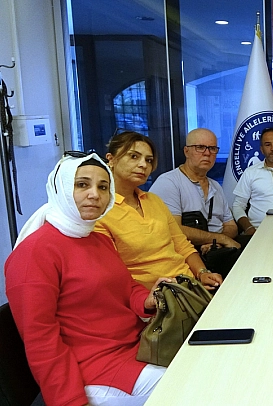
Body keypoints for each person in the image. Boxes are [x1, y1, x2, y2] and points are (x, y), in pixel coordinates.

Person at [5, 153, 170, 406]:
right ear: (61, 189)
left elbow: (125, 287)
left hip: (137, 348)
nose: (94, 194)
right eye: (82, 184)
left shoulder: (97, 239)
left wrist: (146, 300)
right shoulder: (35, 253)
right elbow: (41, 341)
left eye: (103, 187)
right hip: (94, 371)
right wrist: (71, 401)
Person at [95, 131, 223, 290]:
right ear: (111, 159)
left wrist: (202, 273)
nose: (143, 165)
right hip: (153, 294)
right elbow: (115, 274)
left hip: (189, 285)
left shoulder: (153, 200)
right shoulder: (100, 211)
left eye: (148, 160)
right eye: (134, 156)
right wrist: (160, 293)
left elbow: (182, 245)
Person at [150, 128, 241, 251]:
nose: (207, 153)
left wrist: (218, 243)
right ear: (186, 151)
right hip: (187, 252)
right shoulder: (168, 182)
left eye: (212, 148)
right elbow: (173, 230)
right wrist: (220, 239)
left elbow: (231, 226)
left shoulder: (216, 186)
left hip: (219, 249)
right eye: (200, 147)